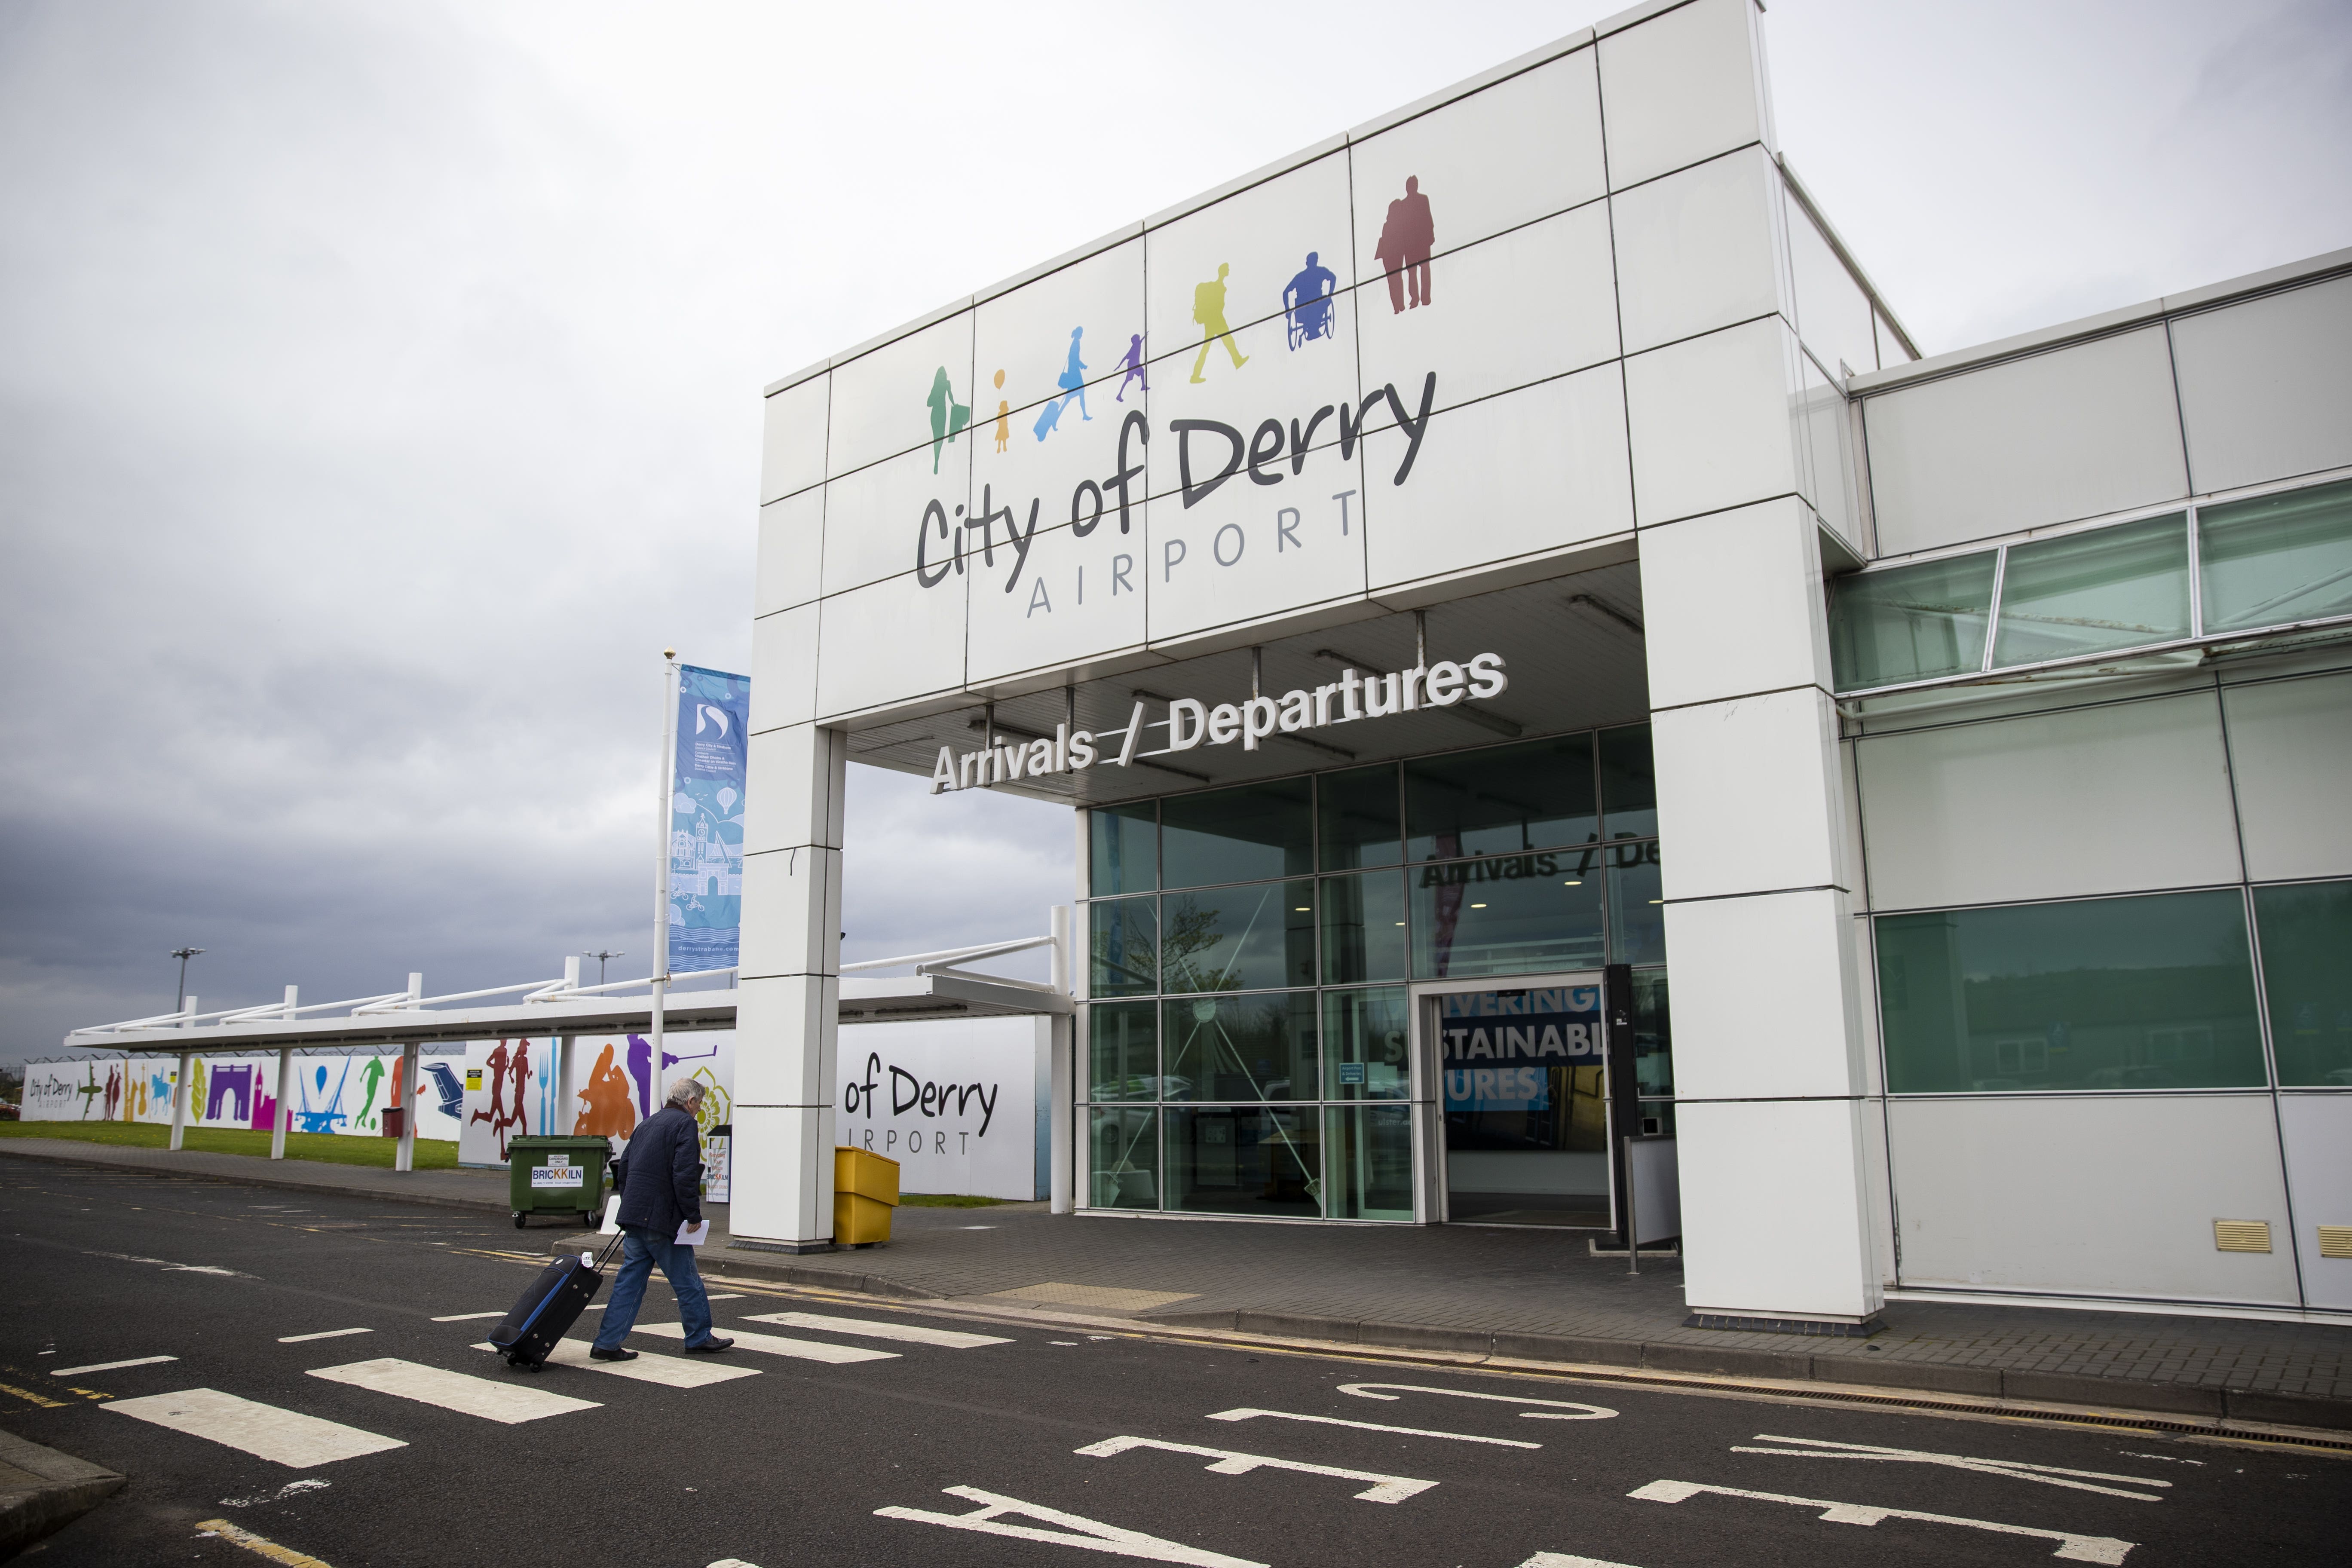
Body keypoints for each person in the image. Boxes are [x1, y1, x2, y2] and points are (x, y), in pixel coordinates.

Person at [590, 1078, 733, 1360]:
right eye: (699, 1105)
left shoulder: (647, 1123)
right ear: (690, 1102)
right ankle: (699, 1336)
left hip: (634, 1218)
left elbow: (624, 1169)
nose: (698, 1111)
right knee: (688, 1281)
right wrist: (693, 1214)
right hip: (661, 1220)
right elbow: (684, 1174)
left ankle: (606, 1343)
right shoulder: (685, 1126)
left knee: (629, 1284)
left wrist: (632, 1204)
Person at [1190, 263, 1248, 383]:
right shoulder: (1219, 286)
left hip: (1213, 321)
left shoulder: (1219, 286)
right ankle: (1237, 361)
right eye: (1227, 269)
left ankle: (1195, 375)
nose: (1229, 271)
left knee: (1210, 347)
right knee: (1226, 343)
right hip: (1216, 321)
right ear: (1222, 272)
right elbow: (1220, 305)